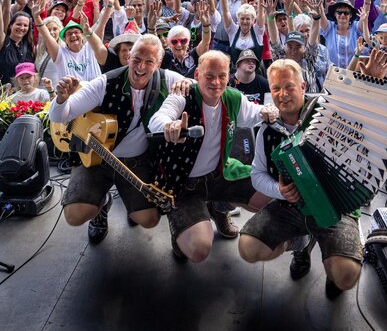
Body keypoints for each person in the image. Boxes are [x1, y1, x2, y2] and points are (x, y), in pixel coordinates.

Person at [238, 59, 364, 300]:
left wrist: (370, 87)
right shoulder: (267, 128)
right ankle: (300, 245)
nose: (282, 94)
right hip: (291, 205)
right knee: (248, 248)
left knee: (345, 275)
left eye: (289, 86)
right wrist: (279, 190)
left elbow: (362, 123)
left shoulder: (328, 116)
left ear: (303, 86)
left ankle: (333, 263)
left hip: (335, 205)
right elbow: (257, 175)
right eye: (276, 88)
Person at [49, 35, 189, 244]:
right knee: (74, 215)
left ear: (158, 63)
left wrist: (187, 82)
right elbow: (59, 116)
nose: (141, 66)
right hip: (95, 156)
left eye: (149, 61)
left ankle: (128, 201)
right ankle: (100, 206)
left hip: (136, 161)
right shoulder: (105, 82)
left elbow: (197, 88)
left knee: (149, 220)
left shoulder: (168, 79)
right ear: (129, 57)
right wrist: (61, 99)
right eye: (137, 59)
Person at [148, 51, 278, 263]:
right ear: (197, 74)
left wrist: (269, 110)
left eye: (222, 76)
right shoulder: (183, 95)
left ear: (229, 76)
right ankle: (179, 230)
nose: (216, 82)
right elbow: (159, 117)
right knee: (198, 250)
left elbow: (255, 112)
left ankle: (219, 209)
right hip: (184, 183)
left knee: (268, 193)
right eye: (209, 76)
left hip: (220, 173)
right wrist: (168, 125)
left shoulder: (233, 97)